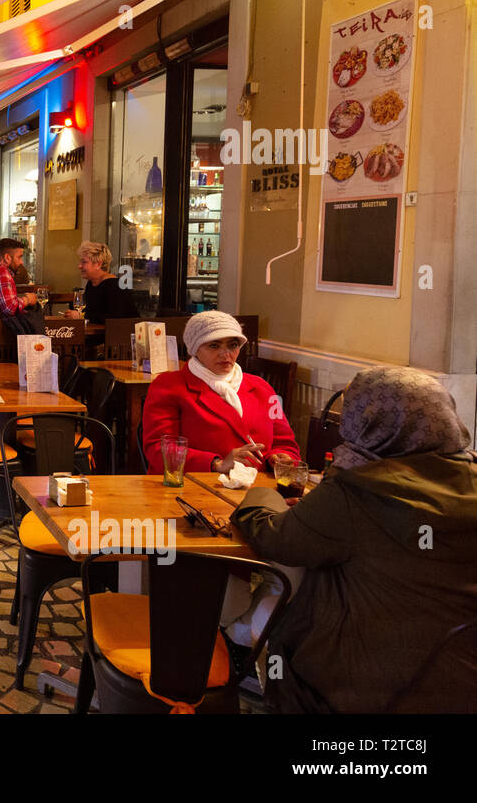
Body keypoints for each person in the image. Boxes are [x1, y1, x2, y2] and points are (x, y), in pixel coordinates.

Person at [232, 367, 477, 713]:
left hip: (361, 680)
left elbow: (277, 540)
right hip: (460, 680)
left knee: (270, 611)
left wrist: (258, 496)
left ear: (368, 419)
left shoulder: (358, 488)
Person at [142, 311, 300, 474]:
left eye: (232, 345)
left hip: (257, 489)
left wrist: (281, 458)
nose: (225, 354)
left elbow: (285, 442)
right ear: (195, 349)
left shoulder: (262, 387)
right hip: (192, 488)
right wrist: (216, 464)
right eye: (214, 345)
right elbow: (158, 449)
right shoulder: (168, 386)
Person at [65, 241, 138, 324]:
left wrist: (81, 316)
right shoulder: (91, 283)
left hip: (118, 336)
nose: (79, 266)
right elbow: (92, 312)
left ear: (98, 264)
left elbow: (115, 319)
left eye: (84, 262)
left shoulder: (114, 286)